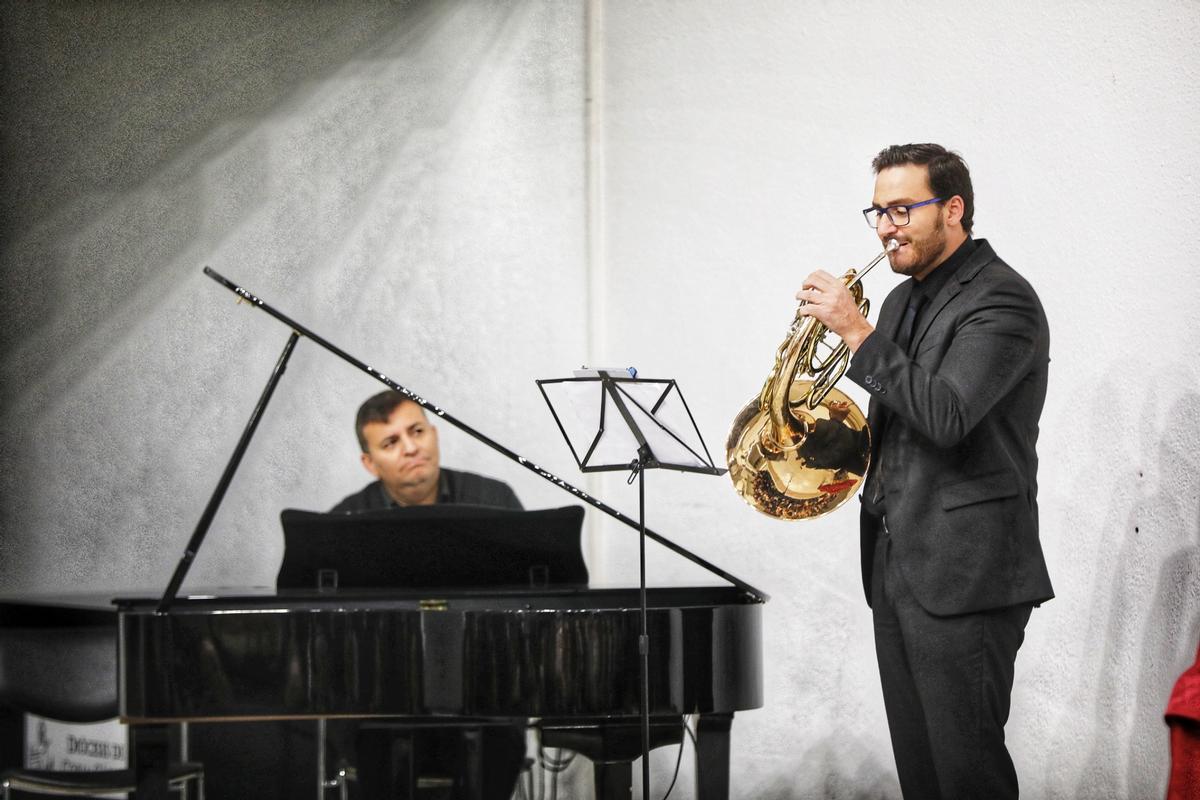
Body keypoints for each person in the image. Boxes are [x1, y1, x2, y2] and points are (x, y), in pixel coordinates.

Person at [795, 143, 1054, 799]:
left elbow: (946, 415)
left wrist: (855, 334)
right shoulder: (900, 304)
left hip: (967, 572)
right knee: (923, 778)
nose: (887, 227)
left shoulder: (1003, 301)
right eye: (878, 211)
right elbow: (904, 427)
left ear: (954, 209)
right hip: (895, 564)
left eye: (903, 209)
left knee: (967, 776)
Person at [328, 389, 527, 799]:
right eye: (391, 442)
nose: (411, 447)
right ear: (370, 463)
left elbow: (527, 605)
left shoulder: (496, 502)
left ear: (434, 433)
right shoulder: (343, 524)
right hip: (382, 703)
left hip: (483, 692)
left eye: (417, 431)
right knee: (371, 738)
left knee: (501, 738)